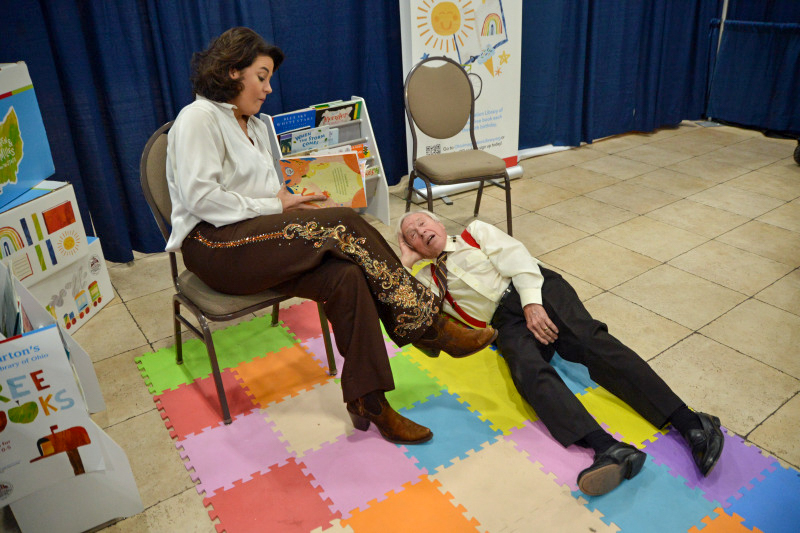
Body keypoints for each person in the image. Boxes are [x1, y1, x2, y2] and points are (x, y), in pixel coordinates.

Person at [163, 27, 497, 446]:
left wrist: (291, 200)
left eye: (269, 79)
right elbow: (202, 199)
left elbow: (262, 194)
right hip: (213, 248)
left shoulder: (252, 124)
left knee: (347, 277)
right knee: (341, 223)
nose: (268, 88)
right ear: (232, 72)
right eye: (261, 76)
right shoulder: (198, 118)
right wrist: (278, 207)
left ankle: (368, 401)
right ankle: (427, 324)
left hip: (253, 242)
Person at [397, 210, 724, 495]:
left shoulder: (475, 231)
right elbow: (403, 309)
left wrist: (532, 306)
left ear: (438, 223)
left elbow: (521, 262)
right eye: (412, 235)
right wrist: (405, 261)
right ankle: (608, 448)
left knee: (589, 342)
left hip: (535, 289)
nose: (420, 232)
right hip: (503, 325)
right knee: (527, 374)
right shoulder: (427, 279)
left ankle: (691, 422)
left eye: (422, 223)